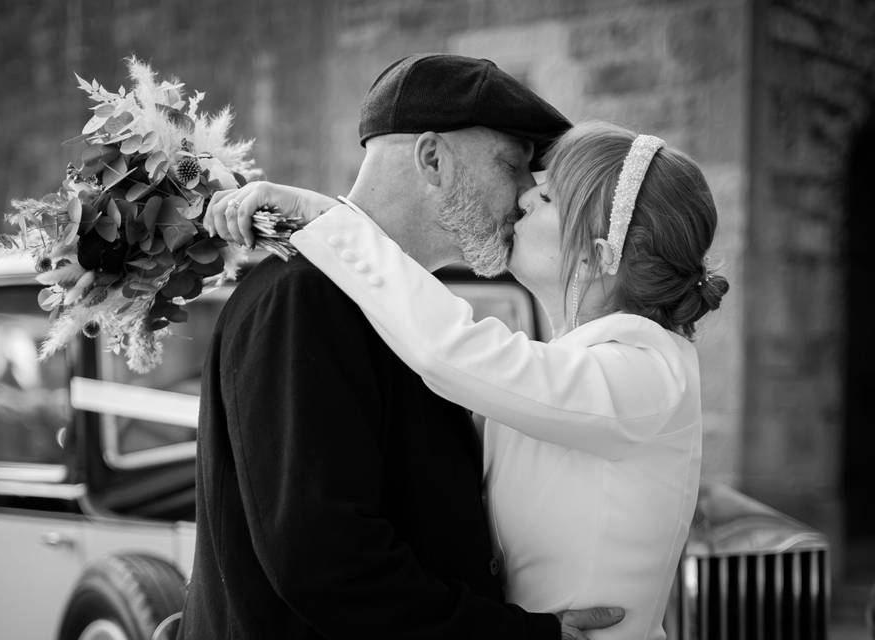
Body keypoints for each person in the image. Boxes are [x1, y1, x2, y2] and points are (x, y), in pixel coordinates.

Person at [209, 120, 729, 640]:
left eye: (548, 197)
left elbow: (448, 347)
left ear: (597, 256)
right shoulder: (579, 364)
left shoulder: (645, 372)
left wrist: (325, 219)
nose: (524, 197)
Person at [178, 54, 625, 639]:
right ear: (433, 159)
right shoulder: (305, 298)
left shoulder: (395, 308)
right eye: (513, 166)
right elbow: (326, 560)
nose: (524, 196)